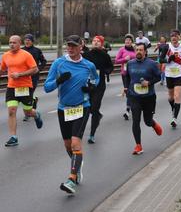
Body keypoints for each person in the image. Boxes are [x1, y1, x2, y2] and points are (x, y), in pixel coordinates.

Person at [44, 35, 99, 194]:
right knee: (68, 146)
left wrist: (91, 89)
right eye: (68, 45)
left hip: (82, 107)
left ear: (81, 47)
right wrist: (58, 81)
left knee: (76, 143)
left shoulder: (88, 65)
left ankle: (72, 178)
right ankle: (77, 164)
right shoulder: (58, 63)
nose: (70, 48)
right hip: (64, 109)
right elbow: (47, 87)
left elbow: (96, 80)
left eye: (74, 46)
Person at [0, 35, 43, 147]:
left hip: (24, 87)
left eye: (14, 42)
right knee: (11, 111)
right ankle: (13, 137)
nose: (11, 44)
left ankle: (36, 115)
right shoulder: (5, 55)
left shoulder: (26, 55)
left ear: (19, 44)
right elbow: (2, 69)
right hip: (11, 87)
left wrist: (20, 74)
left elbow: (35, 69)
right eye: (10, 42)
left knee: (28, 112)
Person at [125, 43, 163, 155]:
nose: (138, 52)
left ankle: (153, 124)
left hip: (149, 97)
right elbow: (127, 76)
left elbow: (158, 76)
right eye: (137, 50)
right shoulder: (130, 63)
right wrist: (126, 87)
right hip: (134, 97)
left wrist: (149, 82)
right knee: (135, 120)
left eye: (141, 50)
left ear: (145, 52)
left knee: (147, 121)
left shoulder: (152, 64)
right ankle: (138, 145)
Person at [83, 35, 114, 144]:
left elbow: (110, 67)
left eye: (98, 41)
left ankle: (92, 134)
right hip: (87, 86)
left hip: (99, 85)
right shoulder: (86, 55)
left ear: (101, 44)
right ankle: (97, 116)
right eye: (94, 41)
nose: (95, 43)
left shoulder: (104, 55)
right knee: (87, 109)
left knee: (94, 107)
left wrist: (106, 71)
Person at [160, 30, 181, 128]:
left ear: (179, 37)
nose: (174, 37)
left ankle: (174, 118)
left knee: (177, 96)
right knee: (170, 96)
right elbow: (160, 59)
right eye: (172, 36)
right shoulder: (166, 47)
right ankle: (174, 108)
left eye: (176, 36)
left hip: (179, 74)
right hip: (169, 74)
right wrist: (168, 59)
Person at [22, 34, 47, 121]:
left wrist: (38, 69)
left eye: (29, 40)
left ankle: (28, 114)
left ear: (32, 41)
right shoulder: (21, 50)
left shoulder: (37, 50)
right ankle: (33, 101)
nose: (27, 41)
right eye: (25, 40)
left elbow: (44, 61)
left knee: (29, 93)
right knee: (25, 95)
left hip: (34, 76)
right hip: (23, 76)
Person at [115, 34, 136, 120]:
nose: (127, 41)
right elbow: (116, 60)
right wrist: (125, 59)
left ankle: (132, 108)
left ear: (132, 41)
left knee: (134, 91)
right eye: (126, 40)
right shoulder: (122, 50)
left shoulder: (135, 50)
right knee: (128, 91)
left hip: (134, 73)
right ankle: (128, 110)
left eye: (129, 40)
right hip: (125, 74)